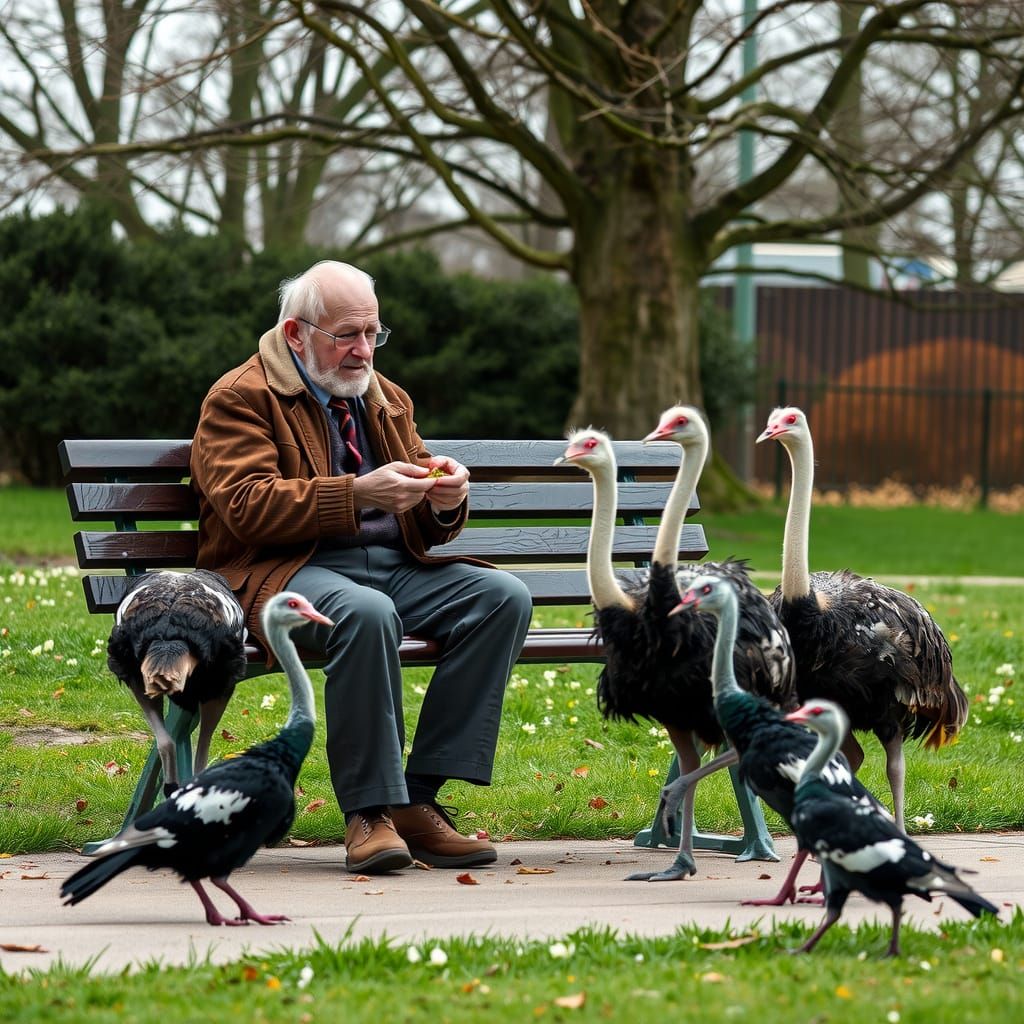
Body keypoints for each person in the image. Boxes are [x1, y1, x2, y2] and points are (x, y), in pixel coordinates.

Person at [190, 260, 533, 875]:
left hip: (390, 563)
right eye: (347, 334)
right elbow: (245, 508)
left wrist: (446, 501)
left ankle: (417, 800)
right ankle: (369, 811)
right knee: (367, 613)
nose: (363, 349)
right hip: (283, 570)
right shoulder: (240, 397)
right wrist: (357, 494)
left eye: (373, 332)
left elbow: (419, 508)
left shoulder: (385, 396)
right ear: (296, 334)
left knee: (501, 596)